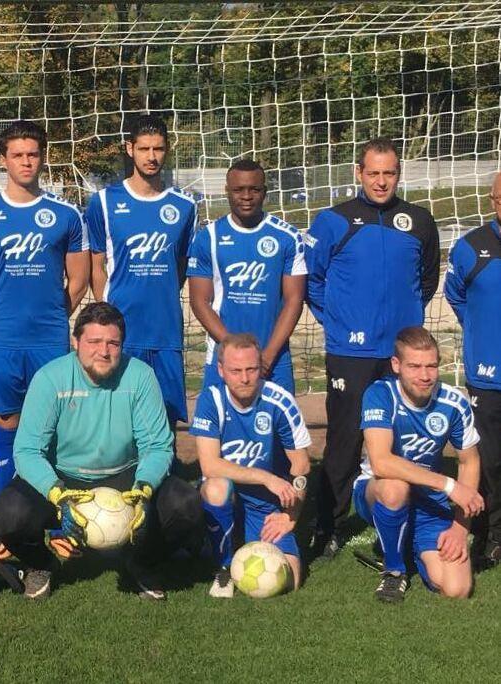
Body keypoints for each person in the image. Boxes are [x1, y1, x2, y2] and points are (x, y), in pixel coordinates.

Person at [0, 302, 204, 600]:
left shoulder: (140, 377)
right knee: (9, 515)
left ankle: (142, 561)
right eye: (93, 342)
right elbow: (27, 451)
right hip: (63, 479)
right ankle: (42, 564)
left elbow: (157, 446)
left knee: (186, 505)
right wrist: (57, 493)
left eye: (112, 343)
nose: (103, 351)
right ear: (75, 342)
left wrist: (144, 489)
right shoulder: (50, 379)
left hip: (125, 477)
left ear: (121, 345)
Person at [305, 137, 440, 557]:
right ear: (358, 173)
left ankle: (401, 521)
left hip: (404, 355)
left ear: (399, 174)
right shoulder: (332, 220)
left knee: (404, 441)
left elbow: (428, 279)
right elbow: (312, 280)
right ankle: (328, 525)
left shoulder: (419, 220)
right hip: (351, 352)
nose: (382, 182)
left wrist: (405, 325)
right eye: (374, 173)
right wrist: (343, 322)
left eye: (390, 173)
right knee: (345, 440)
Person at [0, 120, 90, 501]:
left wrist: (53, 317)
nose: (26, 162)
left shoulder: (66, 215)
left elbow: (78, 281)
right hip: (3, 342)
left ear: (43, 158)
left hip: (51, 341)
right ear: (3, 160)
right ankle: (6, 518)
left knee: (55, 428)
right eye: (18, 155)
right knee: (7, 425)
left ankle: (55, 515)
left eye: (33, 154)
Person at [352, 327, 482, 602]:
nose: (425, 376)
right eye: (414, 366)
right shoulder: (380, 394)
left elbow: (469, 461)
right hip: (377, 490)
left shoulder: (453, 403)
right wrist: (449, 485)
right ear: (396, 365)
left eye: (432, 366)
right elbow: (381, 462)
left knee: (456, 589)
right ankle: (394, 571)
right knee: (395, 487)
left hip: (427, 498)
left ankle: (408, 541)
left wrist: (460, 528)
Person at [86, 113, 195, 436]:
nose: (152, 156)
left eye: (158, 149)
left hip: (165, 329)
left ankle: (164, 483)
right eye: (144, 148)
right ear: (129, 148)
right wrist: (105, 313)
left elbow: (180, 266)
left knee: (166, 418)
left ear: (167, 150)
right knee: (118, 415)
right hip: (123, 328)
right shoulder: (104, 202)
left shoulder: (184, 205)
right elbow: (97, 263)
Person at [191, 333, 311, 598]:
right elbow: (210, 466)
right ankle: (223, 568)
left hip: (264, 506)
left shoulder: (279, 401)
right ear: (221, 370)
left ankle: (237, 545)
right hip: (228, 497)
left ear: (261, 368)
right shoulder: (212, 399)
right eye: (235, 371)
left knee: (290, 579)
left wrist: (291, 516)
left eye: (251, 369)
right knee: (216, 487)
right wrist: (266, 477)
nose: (244, 378)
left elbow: (301, 468)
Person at [188, 159, 307, 393]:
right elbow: (199, 301)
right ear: (227, 191)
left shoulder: (288, 237)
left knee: (277, 428)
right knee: (219, 428)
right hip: (223, 355)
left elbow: (294, 300)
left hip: (274, 358)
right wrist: (233, 350)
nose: (246, 196)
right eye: (238, 189)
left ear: (265, 191)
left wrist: (269, 354)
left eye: (254, 189)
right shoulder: (207, 237)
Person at [444, 173, 501, 568]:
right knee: (490, 460)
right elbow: (455, 295)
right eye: (500, 198)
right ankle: (491, 534)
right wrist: (483, 330)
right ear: (492, 199)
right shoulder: (470, 247)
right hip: (487, 374)